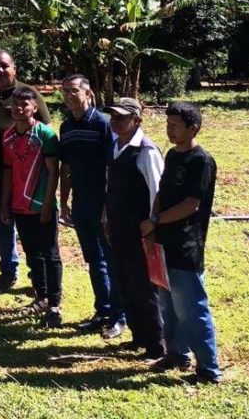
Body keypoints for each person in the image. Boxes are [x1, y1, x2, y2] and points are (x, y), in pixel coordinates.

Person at [142, 102, 222, 384]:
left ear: (193, 128)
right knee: (168, 305)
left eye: (175, 126)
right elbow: (162, 192)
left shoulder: (202, 161)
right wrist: (154, 220)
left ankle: (209, 369)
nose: (170, 130)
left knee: (192, 308)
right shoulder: (173, 155)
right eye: (168, 125)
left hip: (186, 245)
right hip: (164, 242)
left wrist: (156, 221)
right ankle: (177, 353)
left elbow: (191, 204)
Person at [0, 49, 50, 294]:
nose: (0, 71)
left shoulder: (28, 93)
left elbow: (46, 128)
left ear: (14, 67)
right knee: (4, 222)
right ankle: (9, 272)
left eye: (5, 65)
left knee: (33, 227)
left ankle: (40, 276)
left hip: (29, 173)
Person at [59, 74, 124, 337]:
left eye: (74, 90)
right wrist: (63, 200)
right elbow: (66, 167)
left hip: (103, 202)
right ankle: (103, 310)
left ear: (88, 93)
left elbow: (114, 165)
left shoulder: (102, 123)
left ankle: (119, 317)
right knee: (93, 259)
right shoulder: (66, 127)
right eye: (65, 91)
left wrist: (109, 204)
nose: (69, 95)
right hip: (81, 202)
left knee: (110, 259)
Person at [104, 97, 166, 360]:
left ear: (137, 120)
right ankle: (138, 337)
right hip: (118, 230)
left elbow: (158, 192)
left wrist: (152, 228)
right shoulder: (116, 146)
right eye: (113, 117)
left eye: (121, 117)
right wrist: (106, 219)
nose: (115, 122)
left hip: (141, 233)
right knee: (125, 284)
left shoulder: (146, 151)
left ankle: (156, 345)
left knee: (145, 290)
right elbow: (110, 187)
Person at [0, 87, 63, 328]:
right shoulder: (7, 137)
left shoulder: (45, 135)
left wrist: (48, 205)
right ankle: (41, 297)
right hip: (19, 206)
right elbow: (7, 173)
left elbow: (53, 171)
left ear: (34, 108)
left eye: (25, 105)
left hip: (41, 206)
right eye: (16, 104)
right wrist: (5, 204)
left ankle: (55, 304)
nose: (19, 108)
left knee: (50, 254)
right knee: (32, 254)